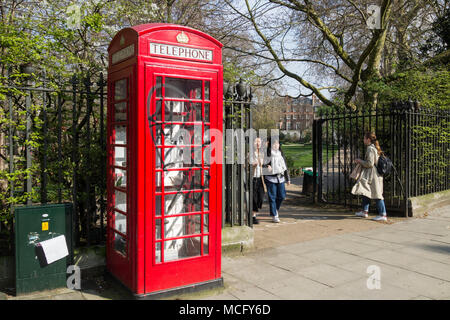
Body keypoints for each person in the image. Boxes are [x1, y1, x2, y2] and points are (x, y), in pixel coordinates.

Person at [351, 132, 387, 221]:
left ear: (368, 139)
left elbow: (370, 163)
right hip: (372, 174)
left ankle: (383, 214)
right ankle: (364, 211)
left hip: (372, 175)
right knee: (365, 191)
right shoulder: (373, 148)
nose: (363, 140)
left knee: (377, 194)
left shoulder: (370, 149)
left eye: (364, 138)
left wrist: (359, 161)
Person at [263, 138, 290, 223]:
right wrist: (266, 167)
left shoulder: (280, 154)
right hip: (270, 178)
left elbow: (284, 166)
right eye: (274, 143)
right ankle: (274, 215)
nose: (276, 145)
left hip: (280, 178)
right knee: (272, 197)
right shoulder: (267, 154)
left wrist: (287, 178)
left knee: (282, 196)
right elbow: (262, 165)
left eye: (277, 143)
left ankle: (275, 209)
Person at [250, 137, 265, 224]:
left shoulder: (262, 154)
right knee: (254, 198)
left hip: (260, 178)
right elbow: (246, 165)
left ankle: (254, 212)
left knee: (261, 197)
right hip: (253, 178)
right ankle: (253, 216)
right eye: (256, 141)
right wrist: (252, 165)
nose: (258, 143)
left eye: (259, 141)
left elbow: (264, 165)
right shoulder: (250, 154)